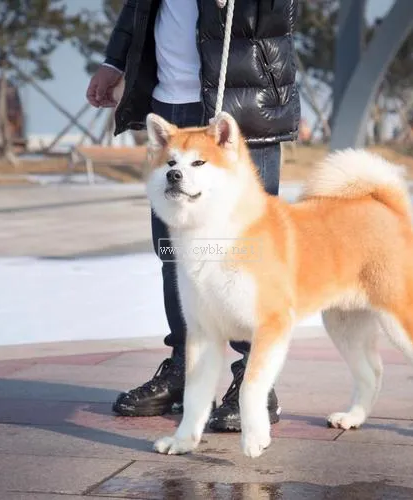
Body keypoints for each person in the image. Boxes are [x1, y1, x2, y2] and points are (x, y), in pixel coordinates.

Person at [86, 0, 300, 432]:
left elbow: (282, 11)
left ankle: (253, 381)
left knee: (245, 255)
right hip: (169, 104)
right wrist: (115, 60)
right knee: (174, 251)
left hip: (240, 101)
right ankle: (186, 370)